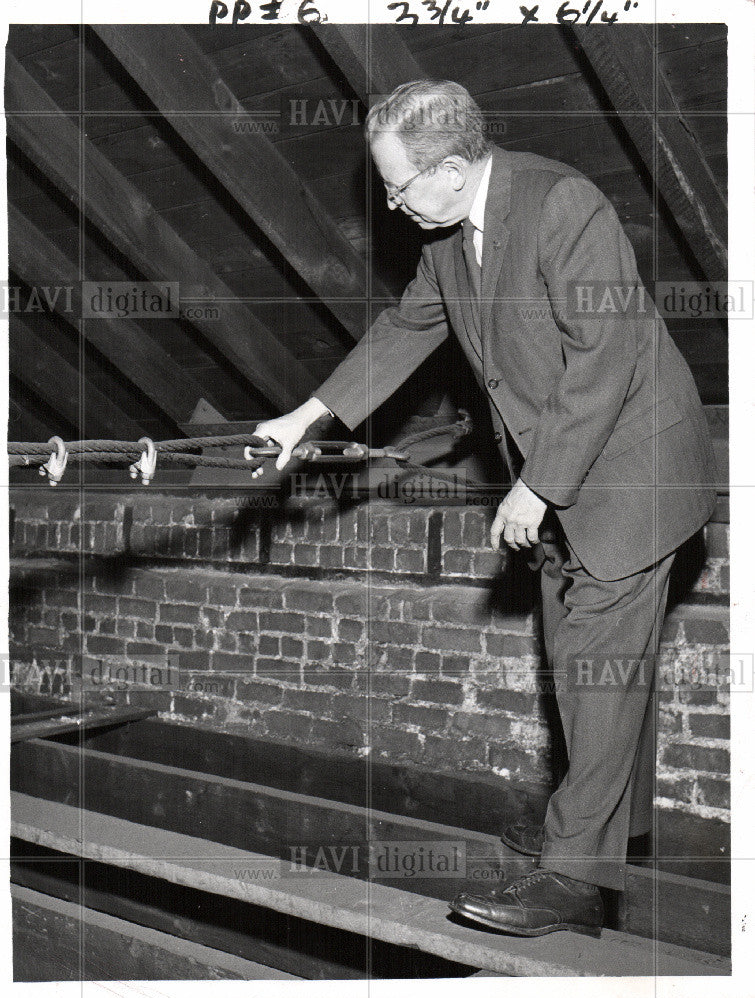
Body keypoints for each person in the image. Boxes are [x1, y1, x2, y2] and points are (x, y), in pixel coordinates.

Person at [254, 80, 718, 937]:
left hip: (631, 465)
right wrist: (306, 416)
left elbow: (606, 358)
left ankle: (574, 880)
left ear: (456, 168)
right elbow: (404, 330)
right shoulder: (446, 236)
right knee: (590, 664)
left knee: (591, 666)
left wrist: (537, 485)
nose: (390, 205)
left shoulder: (560, 206)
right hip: (564, 465)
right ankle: (611, 829)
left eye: (398, 187)